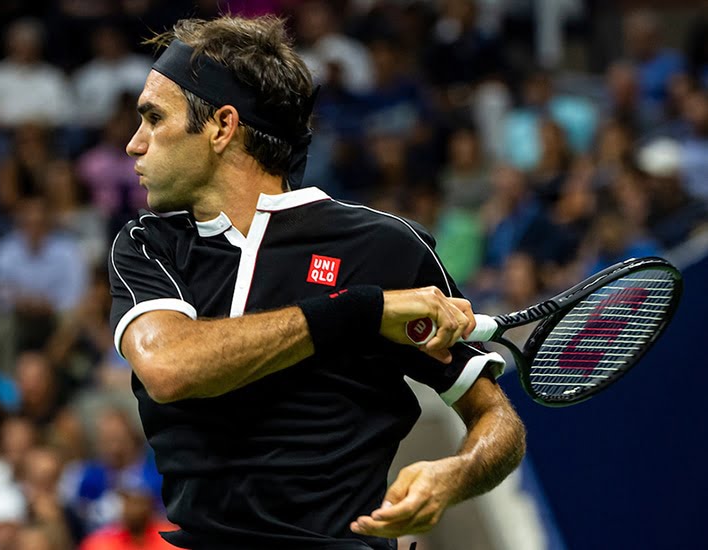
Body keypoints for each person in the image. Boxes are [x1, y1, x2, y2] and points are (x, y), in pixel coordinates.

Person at [108, 15, 525, 549]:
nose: (133, 145)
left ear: (222, 126)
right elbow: (169, 366)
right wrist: (360, 312)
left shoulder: (383, 248)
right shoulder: (149, 244)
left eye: (153, 118)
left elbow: (495, 418)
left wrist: (456, 474)